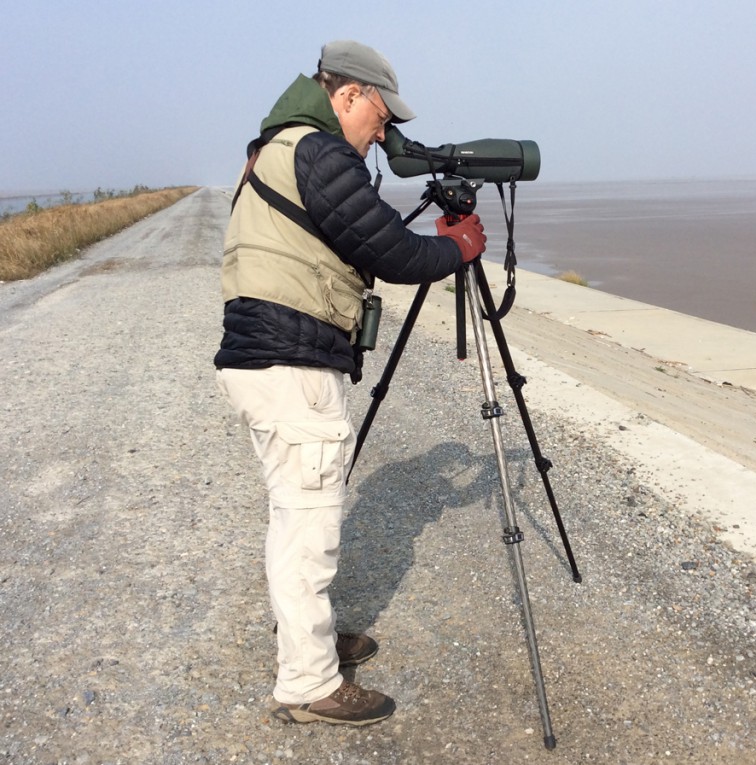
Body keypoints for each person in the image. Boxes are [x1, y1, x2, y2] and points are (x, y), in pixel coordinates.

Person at [214, 40, 486, 727]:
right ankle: (308, 684)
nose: (384, 132)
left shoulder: (277, 145)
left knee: (294, 514)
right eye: (382, 114)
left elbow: (353, 236)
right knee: (308, 525)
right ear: (350, 96)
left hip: (267, 357)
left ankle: (308, 638)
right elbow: (390, 252)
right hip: (290, 363)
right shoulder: (319, 150)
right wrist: (458, 247)